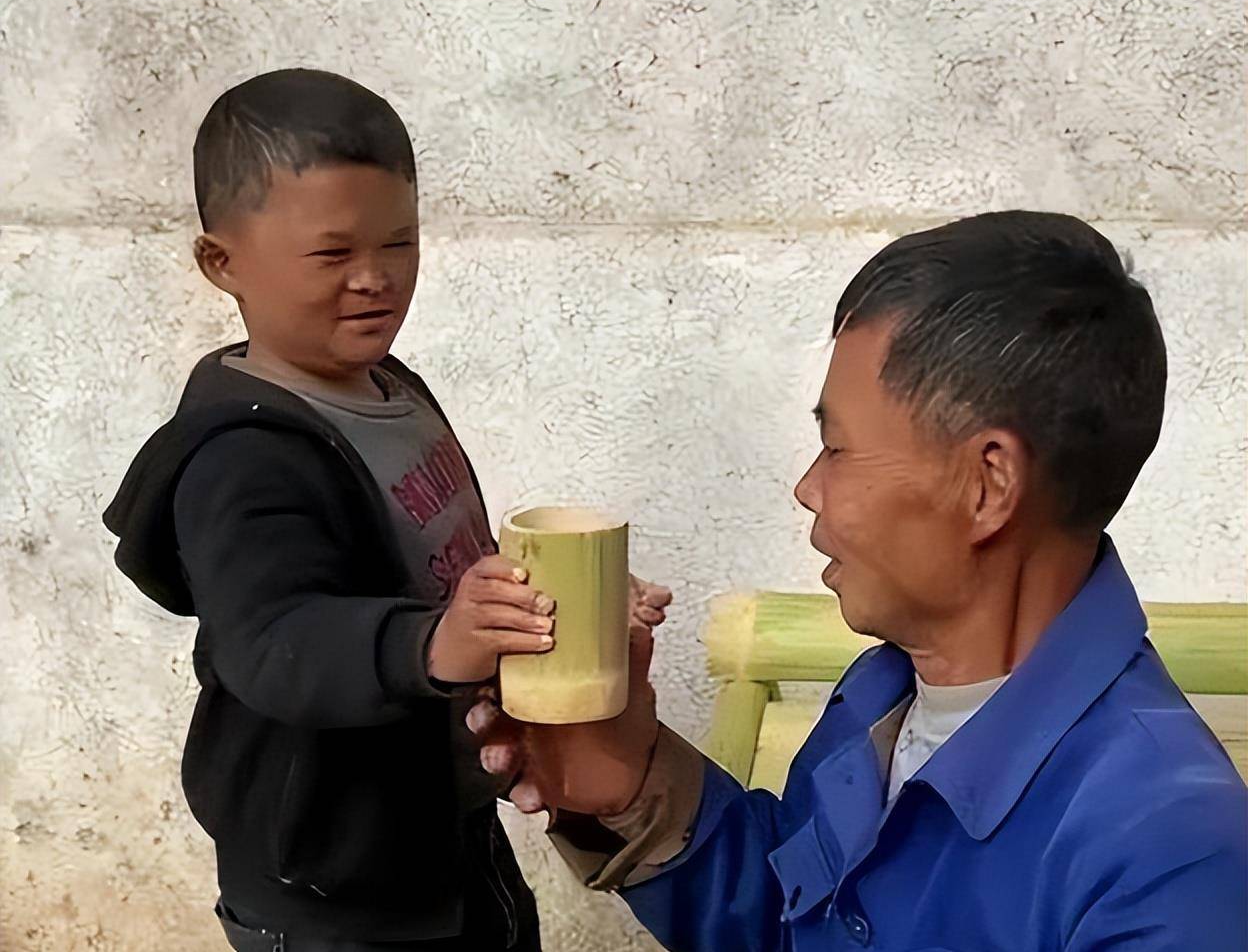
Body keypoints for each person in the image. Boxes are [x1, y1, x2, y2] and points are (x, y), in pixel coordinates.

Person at [471, 211, 1248, 951]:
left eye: (837, 449)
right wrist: (635, 783)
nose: (809, 487)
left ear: (988, 485)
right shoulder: (880, 698)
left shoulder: (1165, 850)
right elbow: (794, 928)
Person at [102, 68, 672, 951]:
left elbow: (446, 570)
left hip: (446, 836)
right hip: (334, 883)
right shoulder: (240, 459)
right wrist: (435, 645)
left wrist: (561, 613)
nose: (375, 279)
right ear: (223, 263)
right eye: (333, 255)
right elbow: (274, 642)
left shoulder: (394, 393)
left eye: (399, 244)